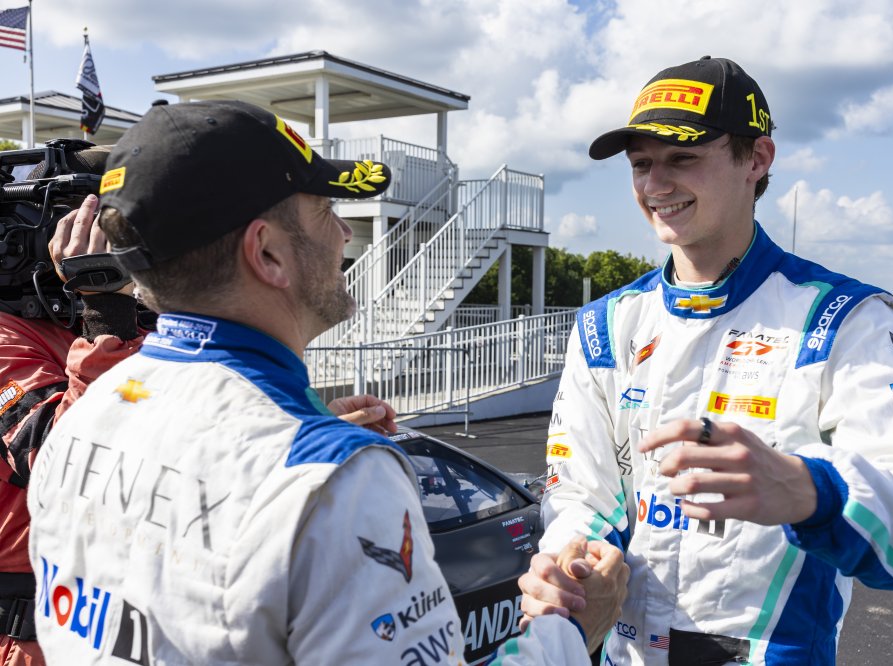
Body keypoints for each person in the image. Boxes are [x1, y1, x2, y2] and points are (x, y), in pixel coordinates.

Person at [26, 99, 628, 664]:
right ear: (268, 253)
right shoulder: (337, 478)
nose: (344, 234)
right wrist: (571, 632)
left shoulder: (84, 414)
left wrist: (294, 436)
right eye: (324, 211)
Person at [517, 56, 893, 665]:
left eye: (682, 158)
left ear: (757, 159)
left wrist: (811, 490)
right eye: (642, 164)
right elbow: (580, 495)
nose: (655, 186)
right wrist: (571, 562)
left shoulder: (846, 318)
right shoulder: (604, 325)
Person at [1, 147, 147, 666]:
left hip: (124, 622)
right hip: (32, 639)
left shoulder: (110, 324)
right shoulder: (8, 337)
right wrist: (106, 311)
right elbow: (60, 462)